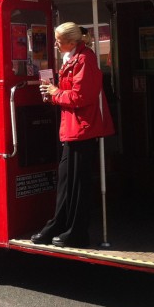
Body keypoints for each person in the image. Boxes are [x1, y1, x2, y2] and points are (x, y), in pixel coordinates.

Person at [31, 22, 115, 248]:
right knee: (67, 181)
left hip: (83, 128)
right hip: (74, 127)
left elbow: (80, 97)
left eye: (59, 40)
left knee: (78, 184)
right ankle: (59, 224)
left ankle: (77, 232)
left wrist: (55, 92)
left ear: (71, 41)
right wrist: (52, 94)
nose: (56, 44)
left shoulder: (85, 59)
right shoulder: (75, 58)